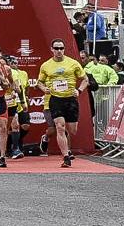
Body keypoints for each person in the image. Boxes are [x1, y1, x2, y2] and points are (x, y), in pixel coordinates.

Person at [37, 38, 87, 168]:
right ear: (52, 49)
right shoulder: (46, 65)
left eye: (61, 48)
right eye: (56, 48)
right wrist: (44, 89)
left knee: (72, 130)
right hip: (55, 99)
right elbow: (39, 82)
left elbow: (85, 79)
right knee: (60, 127)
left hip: (70, 99)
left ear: (64, 49)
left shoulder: (73, 63)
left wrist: (79, 90)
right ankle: (66, 157)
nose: (59, 51)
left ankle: (65, 152)